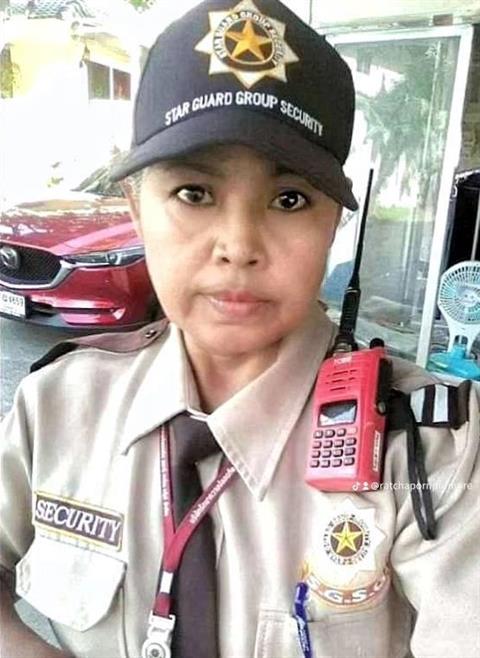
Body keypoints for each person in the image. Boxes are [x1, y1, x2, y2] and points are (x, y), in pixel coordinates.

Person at [1, 1, 479, 657]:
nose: (238, 246)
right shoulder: (59, 405)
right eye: (194, 194)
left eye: (289, 199)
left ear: (333, 225)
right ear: (137, 209)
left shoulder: (431, 453)